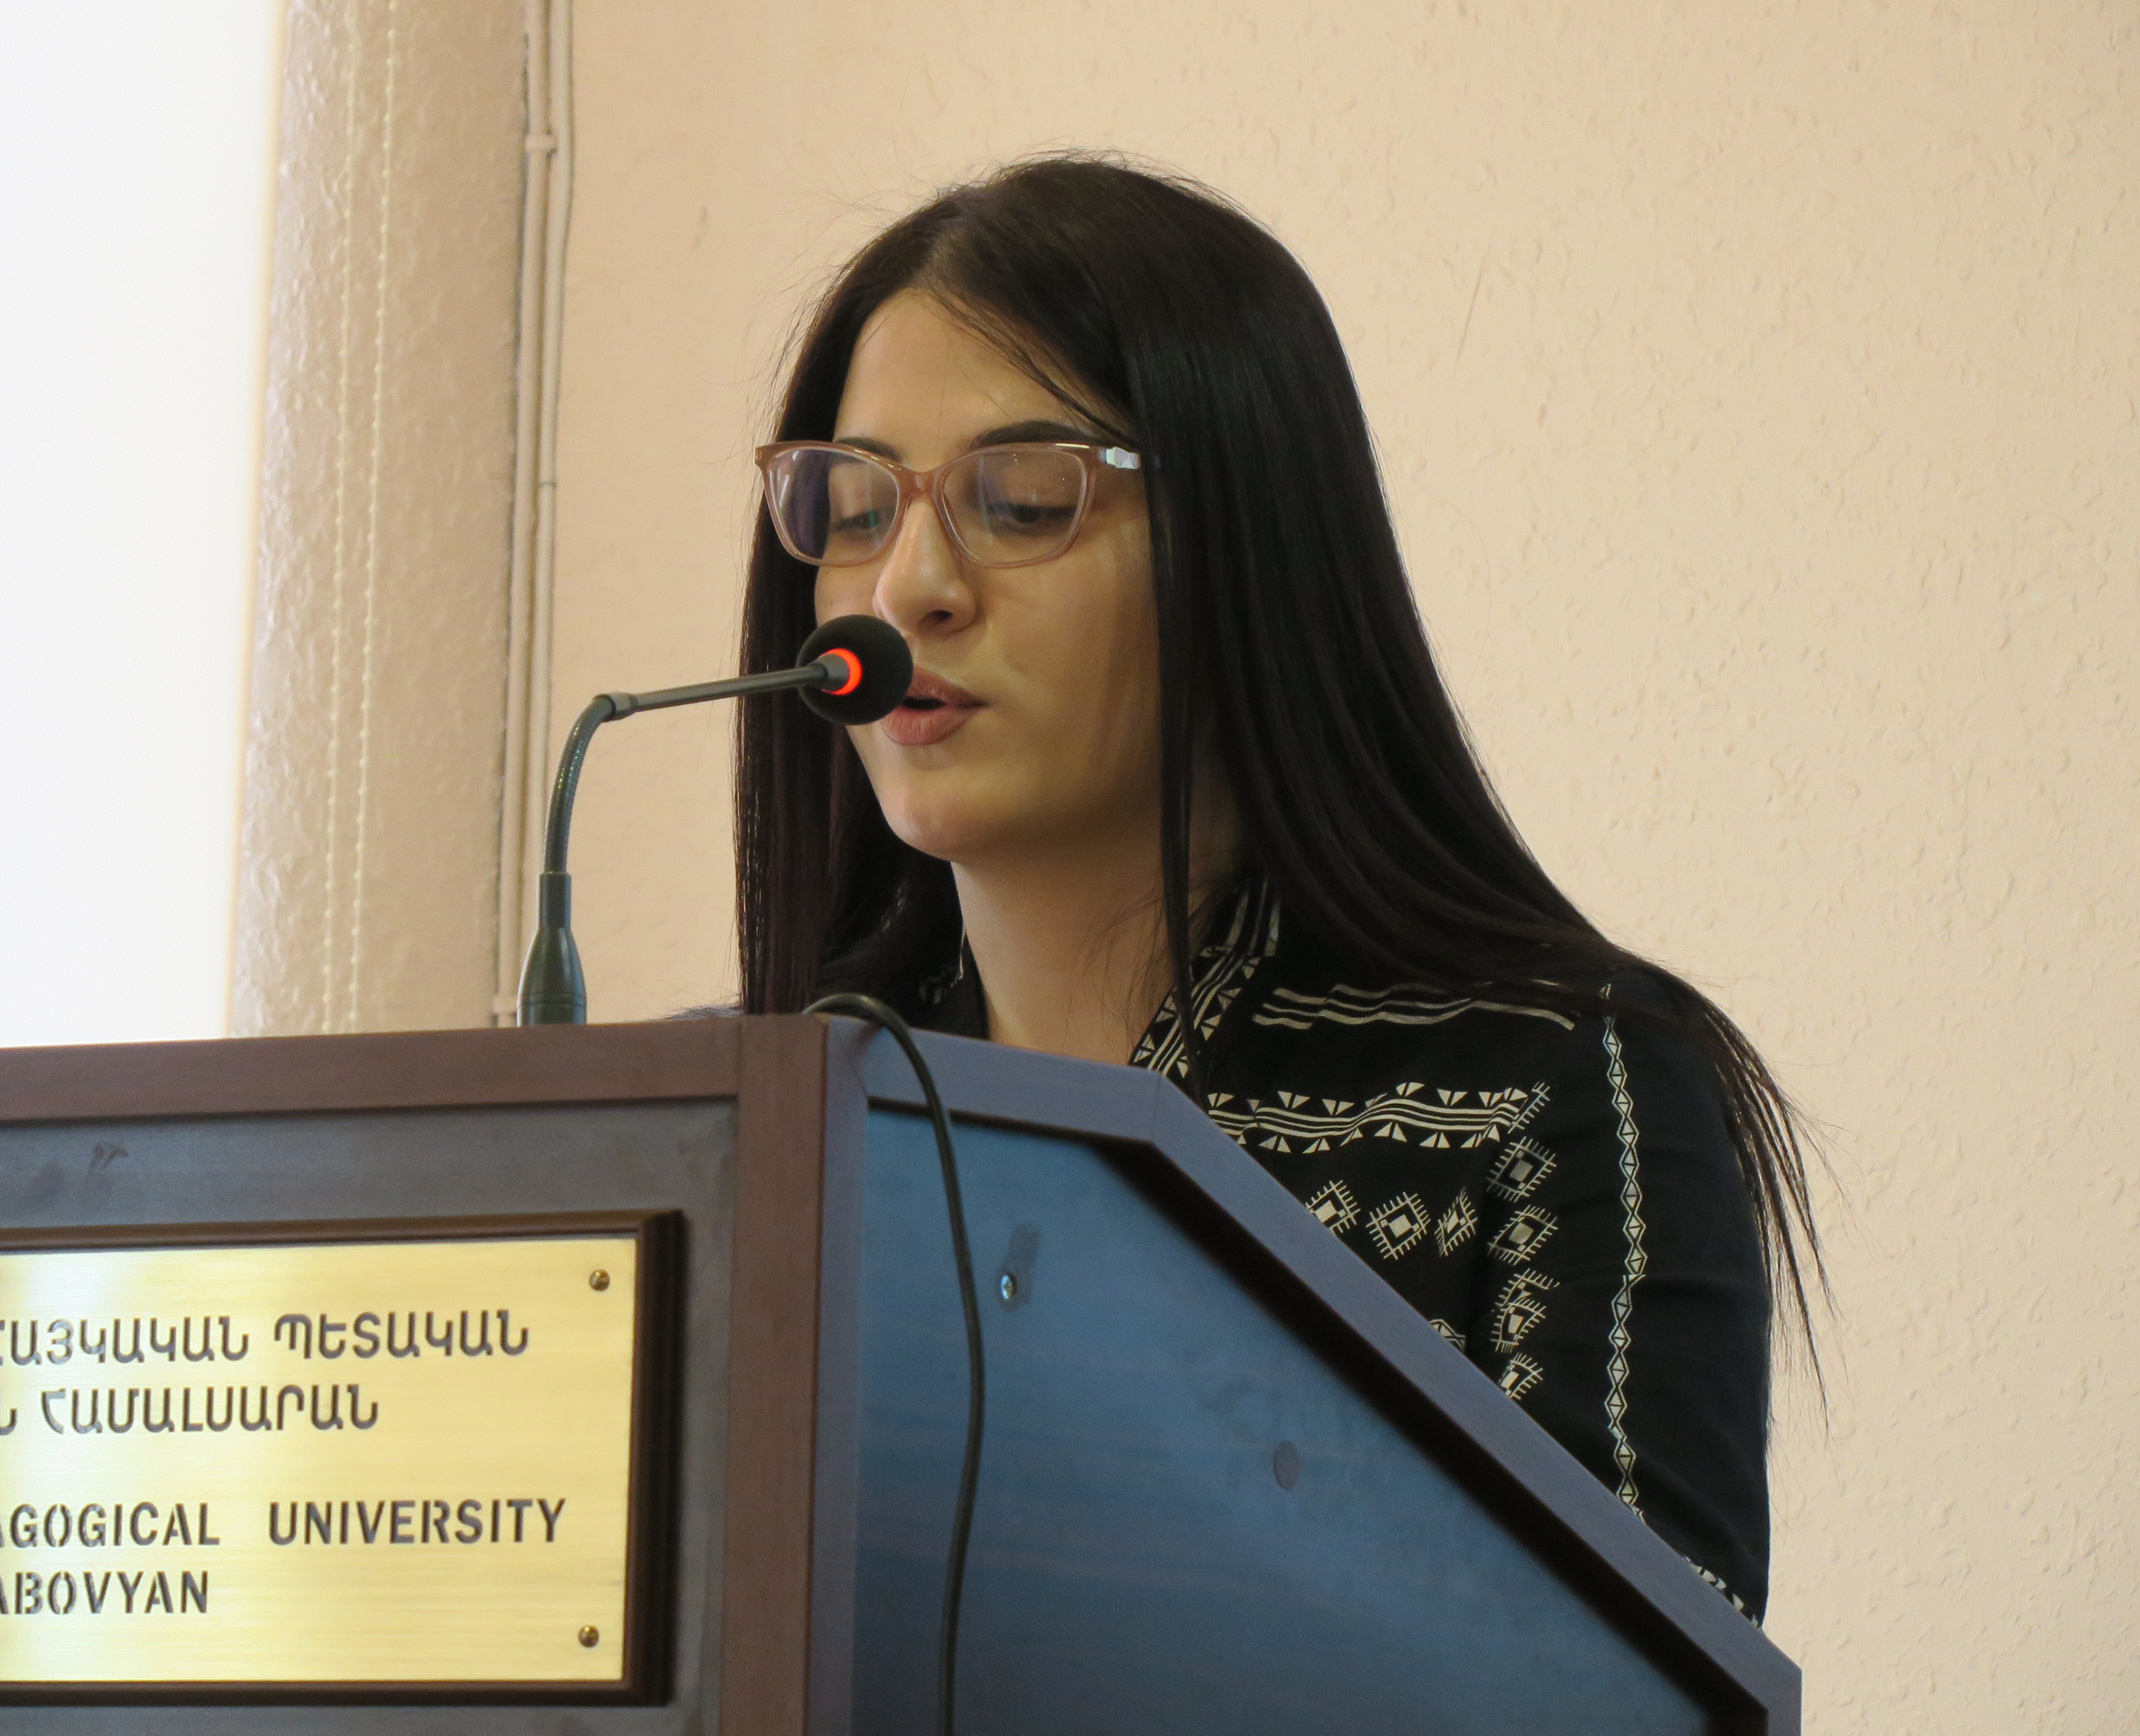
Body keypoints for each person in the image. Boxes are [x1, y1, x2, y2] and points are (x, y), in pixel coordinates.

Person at [733, 154, 1815, 1619]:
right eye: (856, 507)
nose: (907, 586)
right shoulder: (780, 1113)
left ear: (1250, 547)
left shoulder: (1553, 1087)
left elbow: (1627, 1686)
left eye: (1024, 499)